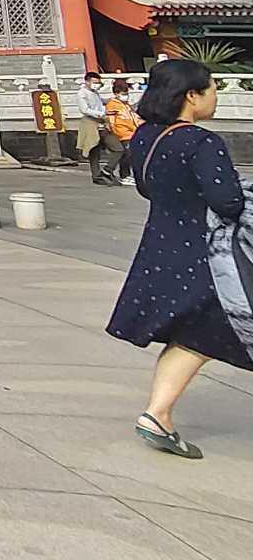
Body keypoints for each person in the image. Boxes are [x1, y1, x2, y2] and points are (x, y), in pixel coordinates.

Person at [107, 58, 249, 459]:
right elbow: (227, 200)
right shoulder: (201, 142)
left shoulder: (145, 136)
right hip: (204, 252)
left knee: (194, 332)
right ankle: (157, 414)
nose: (215, 97)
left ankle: (158, 415)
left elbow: (145, 188)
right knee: (208, 329)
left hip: (162, 242)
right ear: (192, 96)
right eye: (212, 89)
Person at [76, 71, 123, 185]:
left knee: (118, 148)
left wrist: (115, 98)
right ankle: (97, 176)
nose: (96, 85)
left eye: (98, 83)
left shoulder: (95, 93)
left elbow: (101, 102)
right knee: (94, 150)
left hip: (102, 124)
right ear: (87, 82)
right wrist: (101, 114)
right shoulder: (82, 93)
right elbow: (84, 110)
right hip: (90, 123)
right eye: (94, 82)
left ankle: (108, 170)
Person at [106, 77, 140, 186]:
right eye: (123, 94)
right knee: (127, 155)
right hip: (122, 133)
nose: (126, 96)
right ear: (116, 94)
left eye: (126, 93)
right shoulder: (112, 105)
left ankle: (126, 174)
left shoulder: (125, 105)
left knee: (129, 155)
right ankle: (124, 175)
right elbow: (111, 121)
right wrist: (116, 132)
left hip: (131, 132)